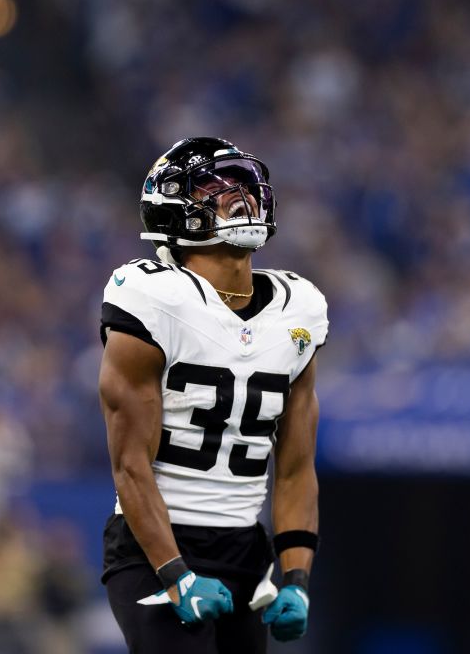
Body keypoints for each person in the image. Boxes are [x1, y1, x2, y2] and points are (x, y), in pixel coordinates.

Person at [98, 137, 327, 652]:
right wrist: (176, 573)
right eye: (215, 189)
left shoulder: (300, 309)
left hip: (246, 546)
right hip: (154, 541)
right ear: (174, 207)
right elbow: (130, 464)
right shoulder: (151, 297)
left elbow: (294, 467)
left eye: (245, 186)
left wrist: (296, 577)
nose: (239, 198)